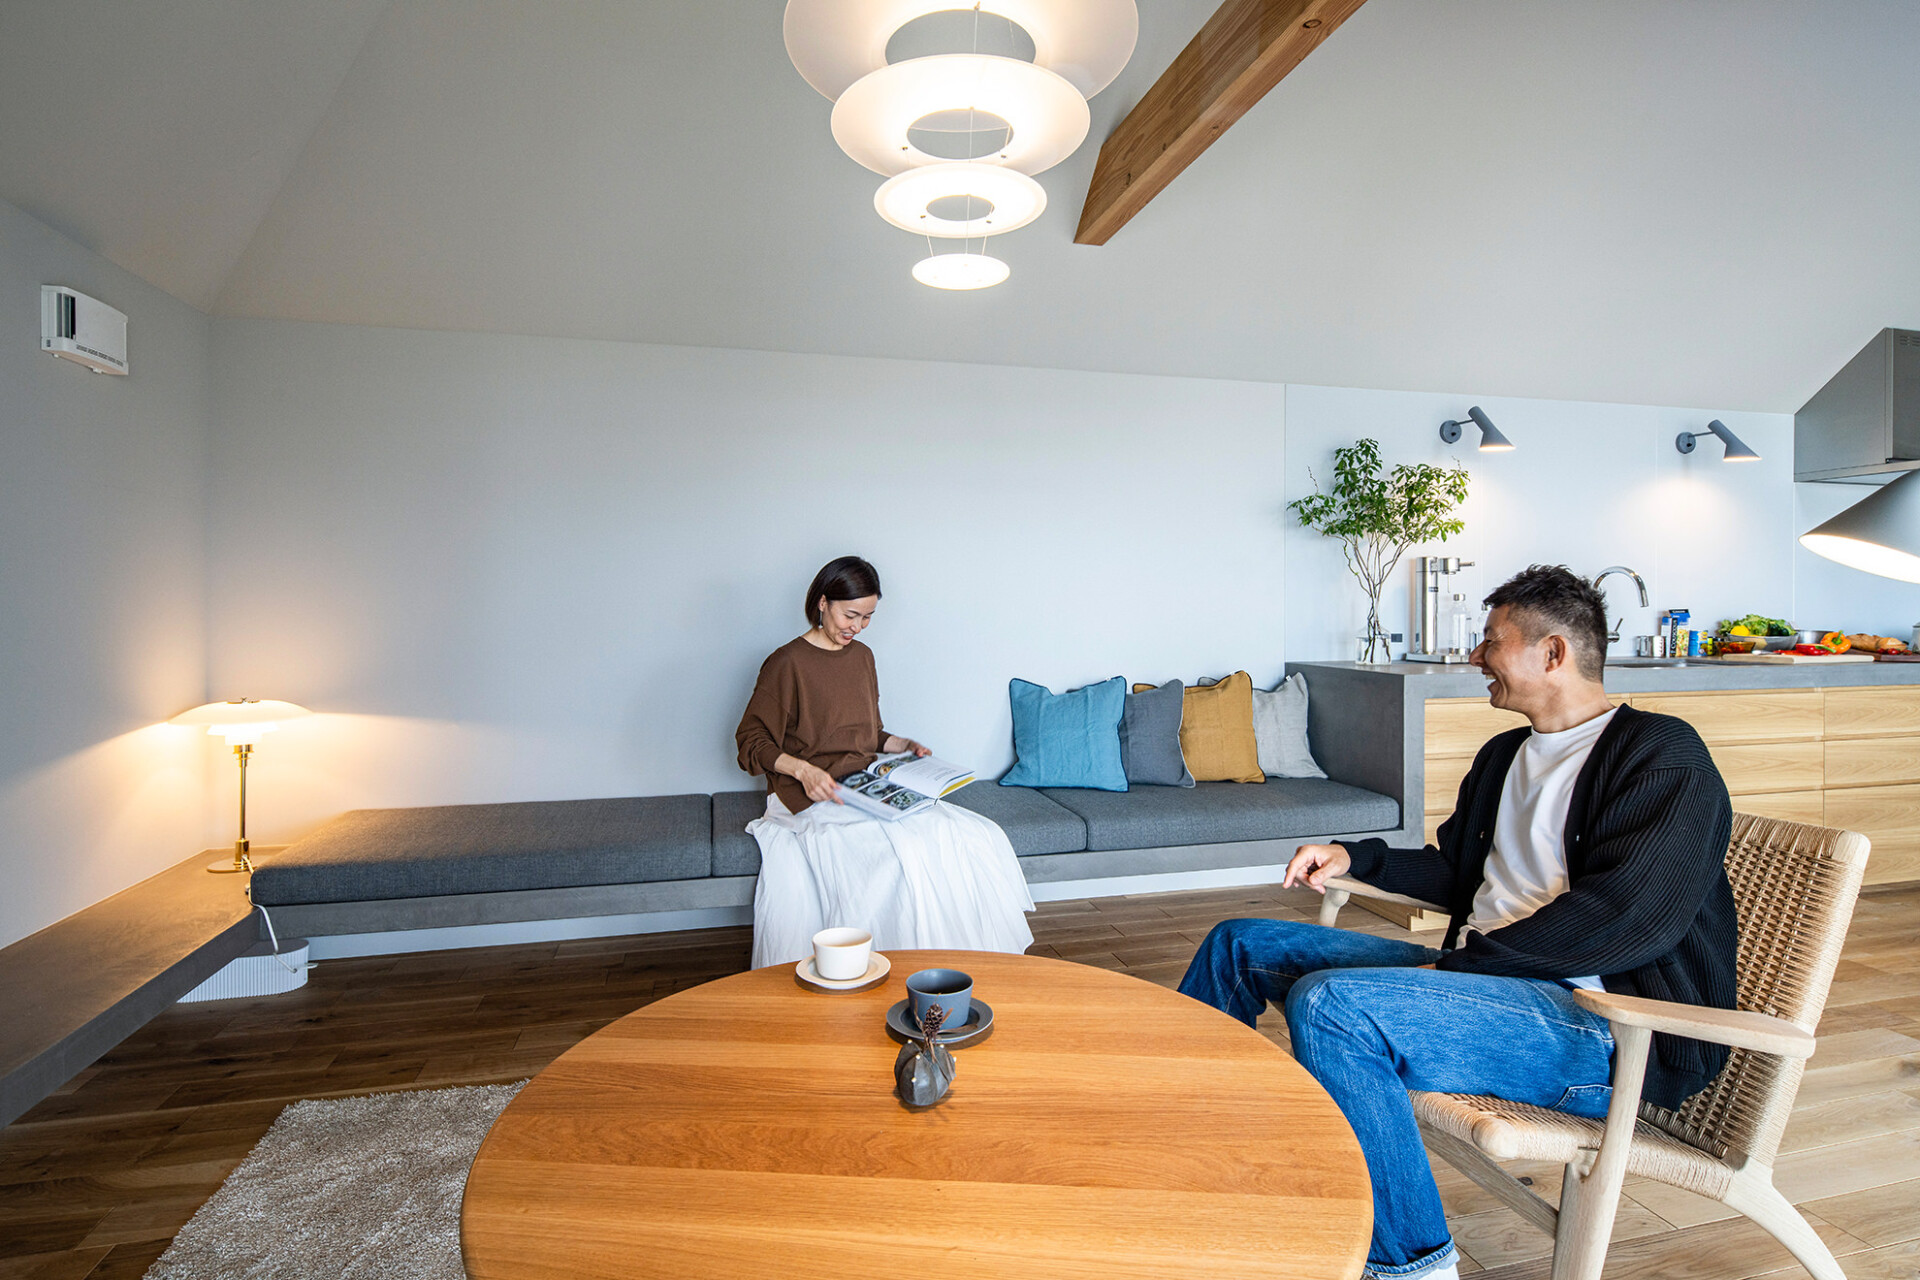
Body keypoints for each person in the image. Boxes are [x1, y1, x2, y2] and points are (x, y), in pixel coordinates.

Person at [1178, 565, 1736, 1280]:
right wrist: (1356, 858)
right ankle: (1188, 1151)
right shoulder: (1506, 755)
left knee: (1333, 1005)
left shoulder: (1662, 755)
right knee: (1238, 943)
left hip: (1602, 1029)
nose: (1476, 655)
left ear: (1553, 653)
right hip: (1485, 984)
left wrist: (1460, 967)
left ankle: (1414, 1264)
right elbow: (1457, 873)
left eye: (1491, 640)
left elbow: (1627, 918)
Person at [734, 555, 1034, 969]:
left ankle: (954, 967)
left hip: (863, 783)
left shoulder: (862, 657)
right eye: (850, 615)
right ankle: (885, 969)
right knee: (890, 861)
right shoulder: (786, 663)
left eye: (867, 617)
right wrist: (802, 769)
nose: (857, 627)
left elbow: (865, 732)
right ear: (822, 603)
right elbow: (750, 742)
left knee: (962, 834)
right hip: (808, 794)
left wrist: (901, 744)